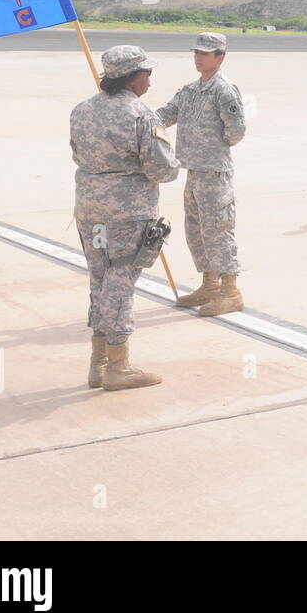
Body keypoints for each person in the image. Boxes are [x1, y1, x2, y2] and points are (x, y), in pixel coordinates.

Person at [72, 45, 180, 391]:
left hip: (90, 208)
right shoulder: (141, 115)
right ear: (133, 77)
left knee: (100, 279)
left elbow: (77, 154)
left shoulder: (81, 110)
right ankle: (119, 366)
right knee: (120, 281)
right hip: (128, 212)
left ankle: (98, 363)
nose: (150, 78)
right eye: (147, 72)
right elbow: (163, 169)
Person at [155, 32, 248, 316]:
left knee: (218, 231)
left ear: (220, 57)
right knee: (196, 231)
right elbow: (165, 114)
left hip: (215, 172)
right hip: (193, 170)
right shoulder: (190, 90)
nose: (199, 57)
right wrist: (133, 116)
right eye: (196, 52)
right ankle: (209, 284)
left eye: (205, 53)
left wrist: (215, 147)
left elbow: (237, 131)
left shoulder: (225, 90)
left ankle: (230, 291)